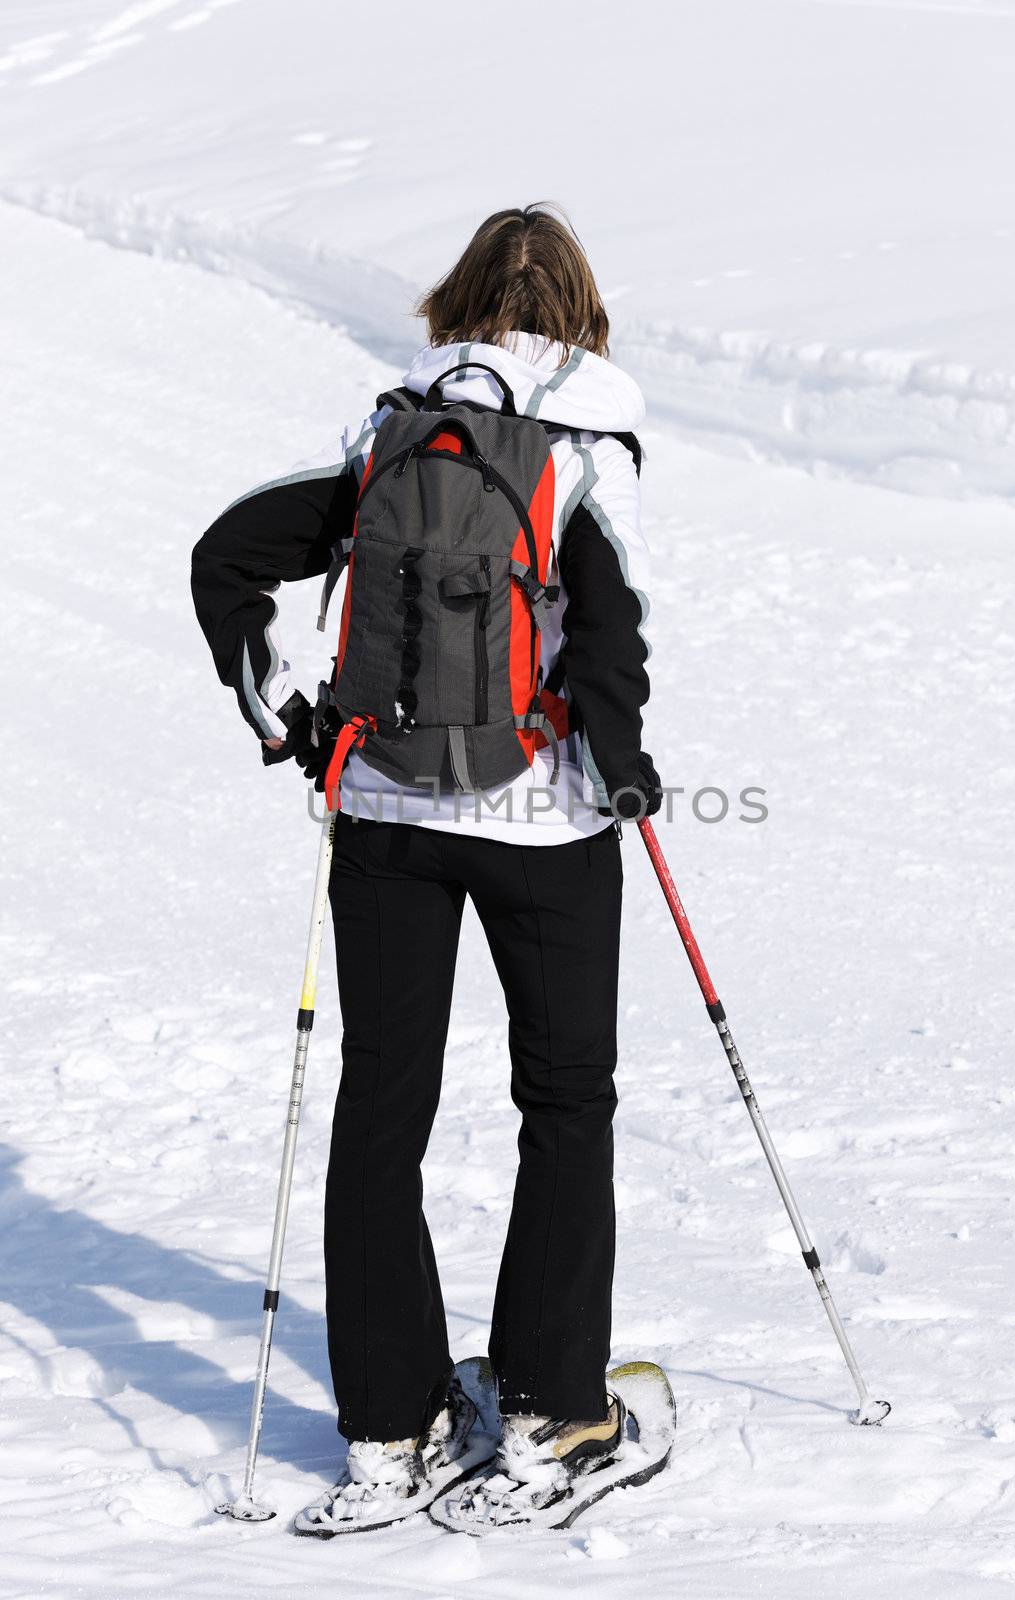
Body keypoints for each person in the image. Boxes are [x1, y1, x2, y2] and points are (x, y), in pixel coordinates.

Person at [191, 204, 661, 1532]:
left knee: (383, 1106)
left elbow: (227, 557)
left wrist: (292, 720)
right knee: (564, 1103)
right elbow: (611, 628)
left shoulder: (389, 431)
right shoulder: (593, 445)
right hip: (547, 823)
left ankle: (389, 1434)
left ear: (457, 302)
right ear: (583, 312)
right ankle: (554, 1413)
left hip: (385, 810)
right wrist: (621, 765)